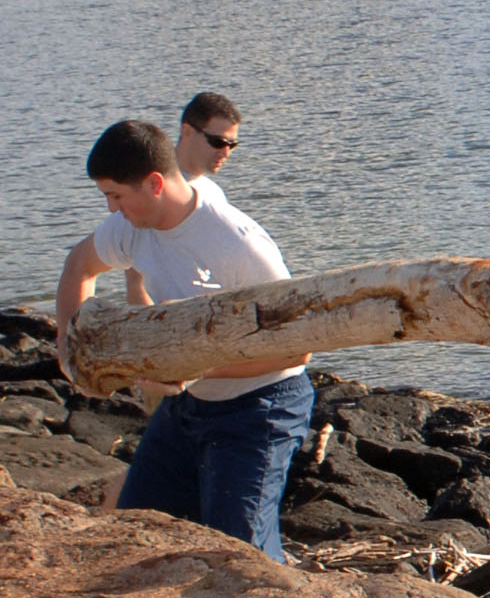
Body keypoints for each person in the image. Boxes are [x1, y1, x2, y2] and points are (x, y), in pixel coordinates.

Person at [51, 119, 315, 561]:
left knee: (241, 554)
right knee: (135, 534)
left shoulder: (237, 243)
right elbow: (79, 267)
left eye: (116, 196)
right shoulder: (130, 229)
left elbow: (296, 348)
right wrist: (69, 351)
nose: (113, 210)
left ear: (154, 183)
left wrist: (186, 369)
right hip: (187, 405)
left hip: (261, 406)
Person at [130, 94, 242, 310]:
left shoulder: (213, 192)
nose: (226, 152)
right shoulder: (153, 190)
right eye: (218, 142)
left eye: (232, 144)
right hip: (169, 325)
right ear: (187, 131)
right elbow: (135, 281)